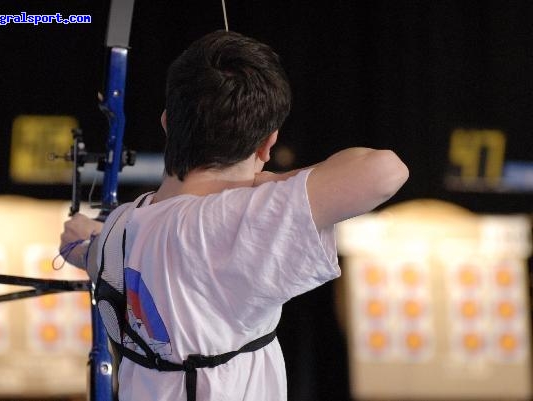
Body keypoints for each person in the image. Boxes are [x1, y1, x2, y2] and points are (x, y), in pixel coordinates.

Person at [60, 30, 408, 401]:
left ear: (167, 123)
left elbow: (86, 250)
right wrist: (272, 181)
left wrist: (81, 242)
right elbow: (386, 170)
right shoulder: (233, 222)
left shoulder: (120, 227)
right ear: (267, 144)